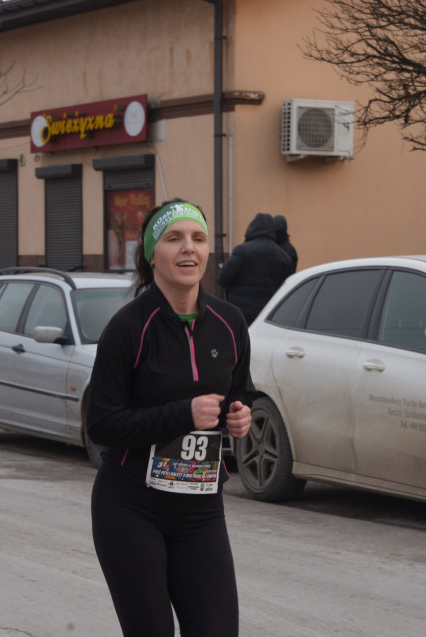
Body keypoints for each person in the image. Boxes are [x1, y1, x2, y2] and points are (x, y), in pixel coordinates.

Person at [88, 198, 253, 637]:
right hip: (131, 507)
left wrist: (240, 415)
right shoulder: (127, 329)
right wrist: (182, 414)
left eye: (198, 239)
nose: (188, 249)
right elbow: (102, 423)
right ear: (151, 254)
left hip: (200, 509)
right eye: (173, 238)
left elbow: (239, 391)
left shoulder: (230, 322)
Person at [217, 212, 295, 324]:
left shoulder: (242, 251)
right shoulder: (284, 257)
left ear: (252, 228)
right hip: (268, 317)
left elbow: (223, 279)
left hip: (240, 314)